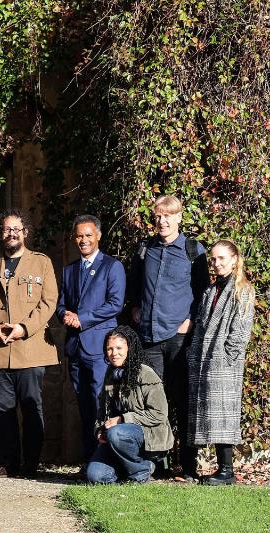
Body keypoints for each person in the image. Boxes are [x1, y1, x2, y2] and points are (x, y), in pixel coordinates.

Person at [0, 208, 58, 478]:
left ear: (25, 233)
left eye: (15, 230)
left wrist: (24, 328)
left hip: (30, 350)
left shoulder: (41, 263)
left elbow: (48, 302)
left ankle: (30, 464)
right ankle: (8, 462)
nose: (10, 234)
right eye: (6, 229)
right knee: (3, 411)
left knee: (31, 407)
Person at [128, 194, 208, 477]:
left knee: (183, 400)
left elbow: (203, 293)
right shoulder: (144, 249)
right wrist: (135, 306)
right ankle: (157, 464)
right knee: (151, 401)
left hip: (178, 338)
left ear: (178, 217)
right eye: (158, 216)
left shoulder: (192, 250)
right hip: (149, 338)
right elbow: (134, 283)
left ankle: (187, 466)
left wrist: (190, 321)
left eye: (167, 216)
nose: (162, 221)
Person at [56, 215, 126, 465]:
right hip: (76, 348)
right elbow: (61, 303)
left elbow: (115, 304)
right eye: (79, 236)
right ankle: (88, 459)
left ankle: (105, 459)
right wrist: (65, 315)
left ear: (98, 235)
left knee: (101, 403)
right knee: (83, 406)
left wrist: (82, 319)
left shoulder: (112, 266)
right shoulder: (69, 270)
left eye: (88, 235)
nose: (83, 240)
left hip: (99, 347)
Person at [187, 240, 255, 485]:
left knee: (223, 415)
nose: (216, 264)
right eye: (213, 259)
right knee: (213, 415)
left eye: (221, 259)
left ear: (234, 259)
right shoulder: (210, 291)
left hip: (224, 363)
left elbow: (240, 333)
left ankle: (227, 470)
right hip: (205, 360)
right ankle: (222, 470)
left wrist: (227, 357)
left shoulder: (243, 291)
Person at [87, 326, 174, 484]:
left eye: (119, 348)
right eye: (109, 349)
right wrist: (99, 430)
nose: (114, 354)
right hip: (117, 436)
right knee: (96, 476)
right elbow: (102, 413)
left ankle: (141, 471)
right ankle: (129, 469)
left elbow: (160, 414)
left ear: (129, 348)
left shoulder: (145, 373)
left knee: (117, 433)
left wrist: (122, 419)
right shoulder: (110, 374)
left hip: (148, 436)